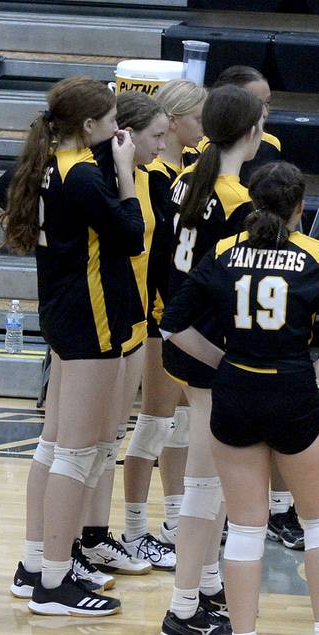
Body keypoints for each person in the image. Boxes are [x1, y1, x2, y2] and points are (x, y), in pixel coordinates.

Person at [160, 161, 319, 635]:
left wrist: (220, 362)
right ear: (302, 208)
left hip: (235, 393)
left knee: (247, 529)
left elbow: (172, 324)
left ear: (253, 205)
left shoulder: (225, 252)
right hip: (292, 392)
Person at [2, 76, 145, 616]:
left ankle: (34, 564)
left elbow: (4, 190)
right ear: (88, 126)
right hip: (91, 319)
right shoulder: (83, 175)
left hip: (60, 313)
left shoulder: (42, 165)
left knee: (53, 444)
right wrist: (127, 177)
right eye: (111, 122)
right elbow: (131, 235)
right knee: (75, 453)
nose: (117, 130)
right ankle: (55, 582)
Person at [157, 84, 264, 635]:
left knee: (211, 482)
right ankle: (183, 609)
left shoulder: (183, 182)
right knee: (205, 487)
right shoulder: (237, 203)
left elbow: (163, 265)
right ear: (251, 134)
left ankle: (205, 581)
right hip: (208, 348)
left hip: (182, 341)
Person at [77, 91, 176, 576]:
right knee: (82, 443)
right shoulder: (95, 177)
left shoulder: (137, 176)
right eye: (155, 135)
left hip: (135, 317)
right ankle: (64, 547)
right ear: (124, 134)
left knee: (107, 439)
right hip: (97, 318)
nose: (162, 145)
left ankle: (95, 536)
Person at [211, 66, 303, 549]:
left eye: (269, 102)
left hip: (258, 306)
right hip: (231, 314)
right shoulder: (212, 176)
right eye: (258, 103)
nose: (266, 112)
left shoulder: (271, 153)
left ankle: (280, 512)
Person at [119, 80, 207, 566]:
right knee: (153, 425)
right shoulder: (149, 175)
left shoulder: (188, 172)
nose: (204, 127)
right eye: (197, 118)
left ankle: (173, 522)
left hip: (178, 313)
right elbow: (151, 253)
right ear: (173, 122)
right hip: (154, 315)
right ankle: (133, 531)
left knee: (181, 424)